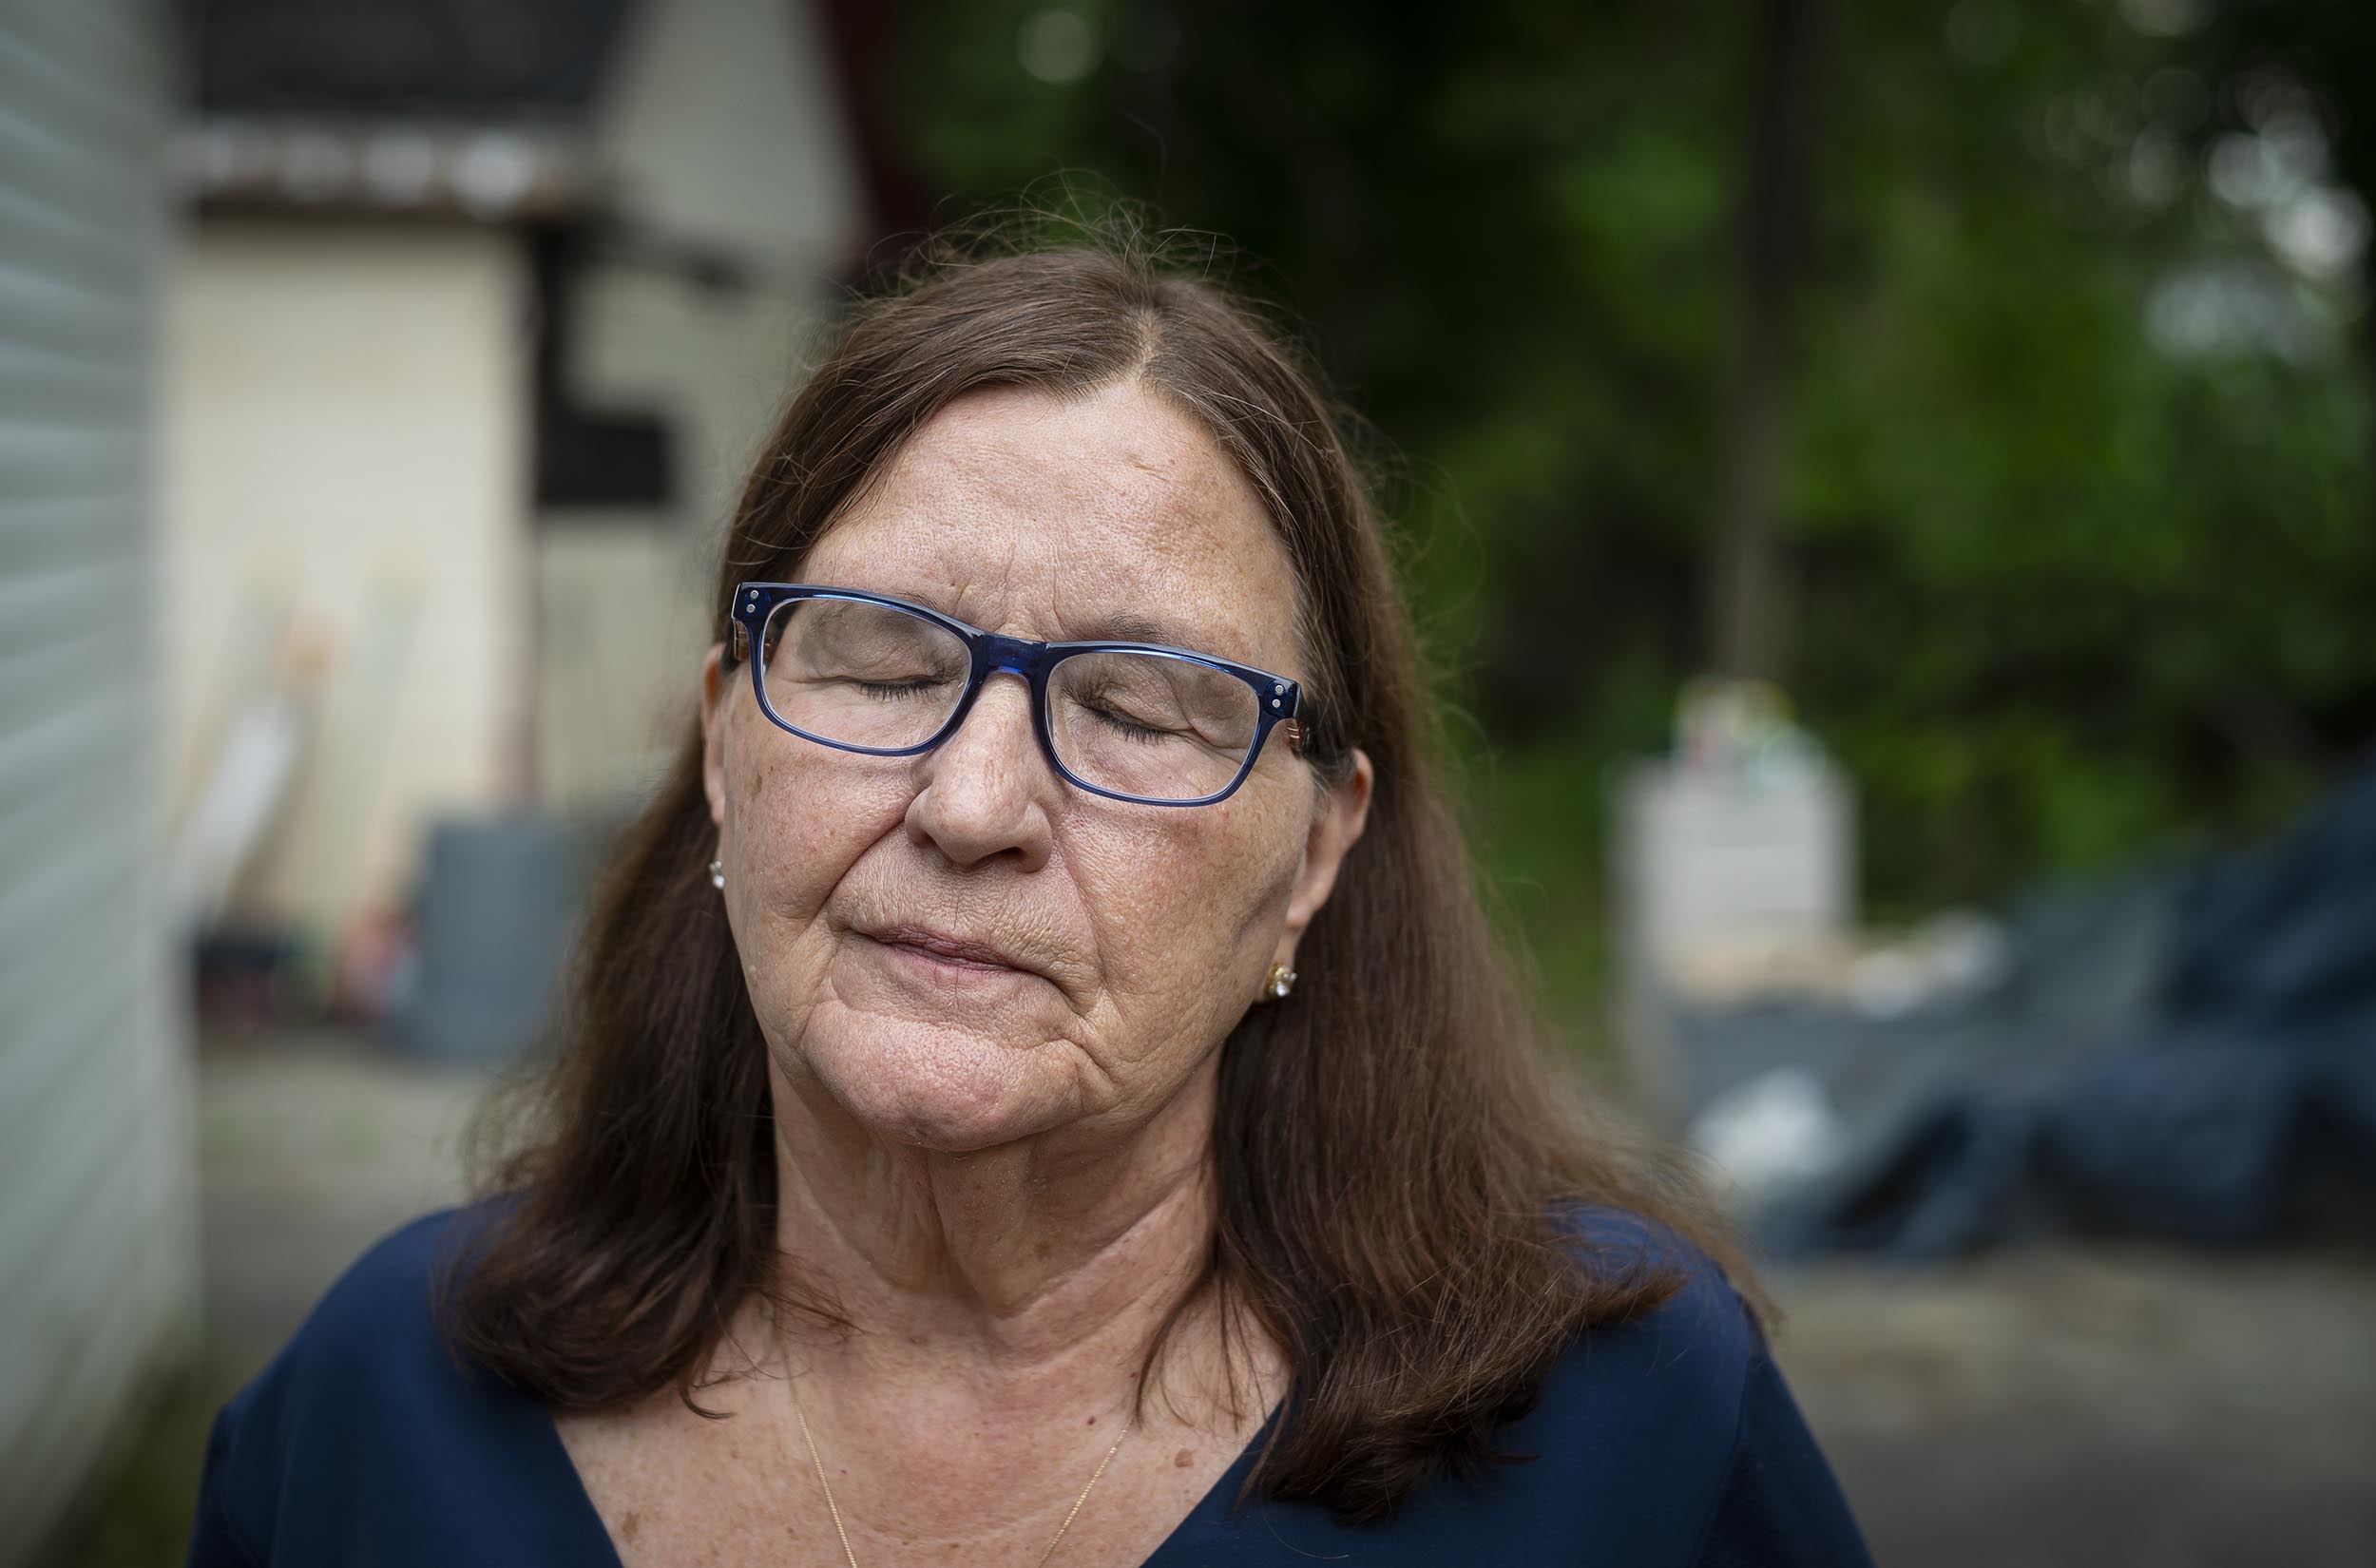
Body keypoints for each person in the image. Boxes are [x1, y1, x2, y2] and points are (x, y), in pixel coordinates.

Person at [184, 227, 1874, 1566]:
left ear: (1316, 853)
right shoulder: (379, 1412)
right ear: (721, 744)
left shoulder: (1624, 1442)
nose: (973, 803)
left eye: (1139, 709)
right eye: (875, 661)